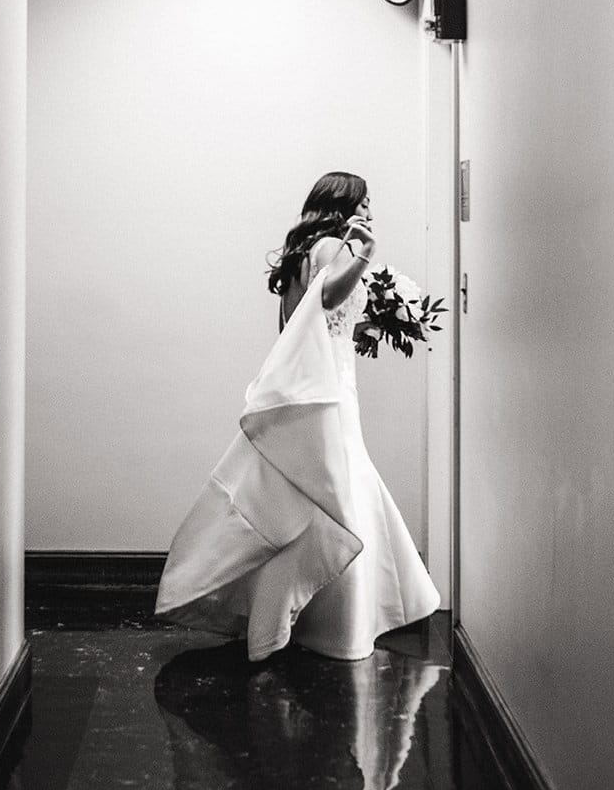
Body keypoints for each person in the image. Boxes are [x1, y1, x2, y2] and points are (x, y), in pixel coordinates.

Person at [154, 171, 440, 660]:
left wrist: (370, 324)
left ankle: (296, 615)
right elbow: (328, 298)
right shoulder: (336, 245)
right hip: (331, 392)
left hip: (318, 387)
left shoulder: (302, 254)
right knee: (335, 498)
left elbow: (298, 324)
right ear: (341, 204)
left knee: (318, 496)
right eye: (364, 202)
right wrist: (366, 252)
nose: (370, 210)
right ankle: (327, 626)